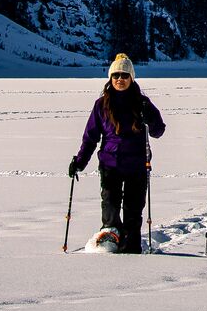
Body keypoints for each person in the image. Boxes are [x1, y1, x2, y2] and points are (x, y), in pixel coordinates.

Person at [69, 54, 165, 253]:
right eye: (116, 75)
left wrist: (150, 119)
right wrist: (80, 161)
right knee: (110, 210)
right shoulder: (101, 105)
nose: (120, 79)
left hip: (137, 165)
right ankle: (110, 248)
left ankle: (131, 249)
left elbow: (158, 131)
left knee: (133, 212)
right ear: (110, 78)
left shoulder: (142, 103)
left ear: (131, 78)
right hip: (110, 164)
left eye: (124, 75)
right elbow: (90, 137)